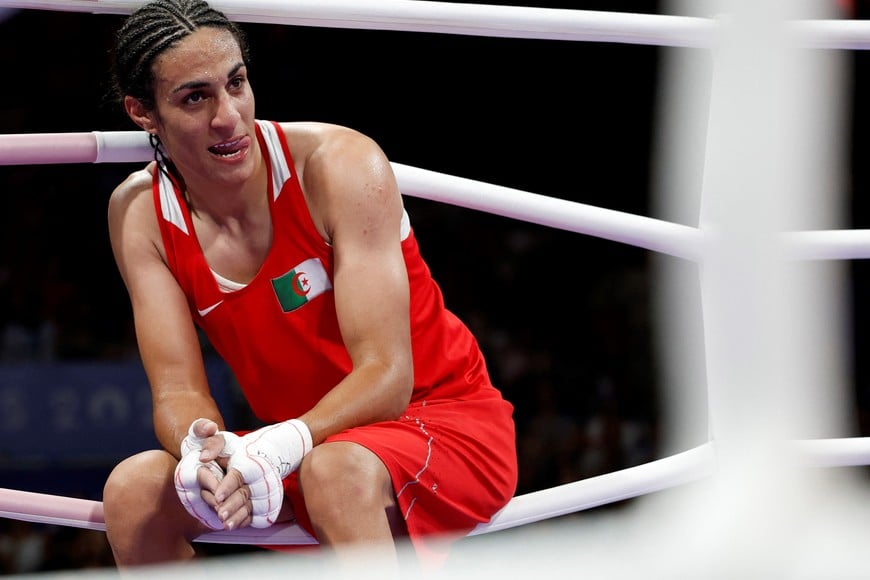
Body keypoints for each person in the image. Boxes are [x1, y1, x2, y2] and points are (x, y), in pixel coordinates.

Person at [100, 0, 518, 572]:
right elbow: (176, 390)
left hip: (435, 420)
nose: (229, 117)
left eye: (237, 83)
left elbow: (388, 375)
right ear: (144, 113)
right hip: (301, 444)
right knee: (133, 491)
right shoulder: (140, 214)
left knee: (336, 473)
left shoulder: (338, 165)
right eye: (195, 98)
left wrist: (286, 443)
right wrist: (200, 448)